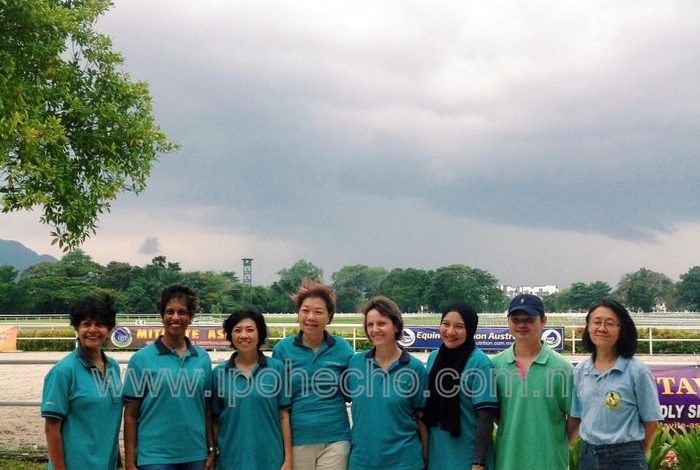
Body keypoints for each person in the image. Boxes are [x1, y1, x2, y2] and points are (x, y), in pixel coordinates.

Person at [123, 284, 215, 470]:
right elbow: (130, 415)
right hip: (154, 457)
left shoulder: (203, 358)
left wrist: (211, 449)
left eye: (182, 312)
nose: (175, 317)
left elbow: (206, 409)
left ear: (190, 317)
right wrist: (130, 461)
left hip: (195, 455)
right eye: (170, 311)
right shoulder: (140, 359)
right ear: (162, 315)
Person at [569, 298, 662, 470]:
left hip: (626, 457)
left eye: (610, 323)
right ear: (588, 327)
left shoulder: (637, 371)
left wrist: (636, 456)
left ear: (622, 329)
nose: (602, 328)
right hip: (588, 455)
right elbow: (576, 417)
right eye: (596, 322)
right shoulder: (580, 371)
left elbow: (651, 421)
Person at [271, 280, 354, 470]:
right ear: (298, 314)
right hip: (297, 440)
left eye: (318, 312)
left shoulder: (343, 348)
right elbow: (277, 402)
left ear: (329, 317)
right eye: (305, 311)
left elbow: (353, 391)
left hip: (336, 439)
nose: (311, 317)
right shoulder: (282, 350)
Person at [491, 293, 574, 470]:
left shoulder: (562, 367)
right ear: (508, 322)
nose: (522, 325)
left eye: (529, 319)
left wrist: (556, 443)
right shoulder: (495, 365)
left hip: (550, 463)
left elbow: (575, 416)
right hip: (508, 461)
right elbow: (496, 414)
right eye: (516, 320)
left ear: (543, 320)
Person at [345, 296, 428, 470]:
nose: (375, 329)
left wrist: (426, 458)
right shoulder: (355, 364)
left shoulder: (415, 368)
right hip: (362, 463)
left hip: (405, 463)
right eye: (370, 324)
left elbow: (423, 420)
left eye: (381, 323)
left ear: (396, 325)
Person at [41, 295, 123, 470]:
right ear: (77, 328)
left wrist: (118, 462)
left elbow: (110, 420)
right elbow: (51, 429)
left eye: (99, 324)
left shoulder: (113, 367)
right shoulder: (63, 372)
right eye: (86, 324)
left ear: (109, 330)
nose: (93, 330)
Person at [212, 307, 292, 470]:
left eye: (250, 330)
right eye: (237, 330)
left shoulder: (276, 369)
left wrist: (289, 459)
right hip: (231, 461)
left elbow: (284, 416)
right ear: (230, 335)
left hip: (270, 460)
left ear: (260, 334)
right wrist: (214, 451)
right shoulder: (219, 373)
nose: (243, 335)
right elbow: (214, 420)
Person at [422, 302, 498, 470]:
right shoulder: (434, 358)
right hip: (437, 455)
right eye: (446, 324)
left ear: (470, 329)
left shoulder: (480, 363)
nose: (450, 332)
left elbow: (486, 417)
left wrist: (478, 462)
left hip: (467, 456)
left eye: (459, 326)